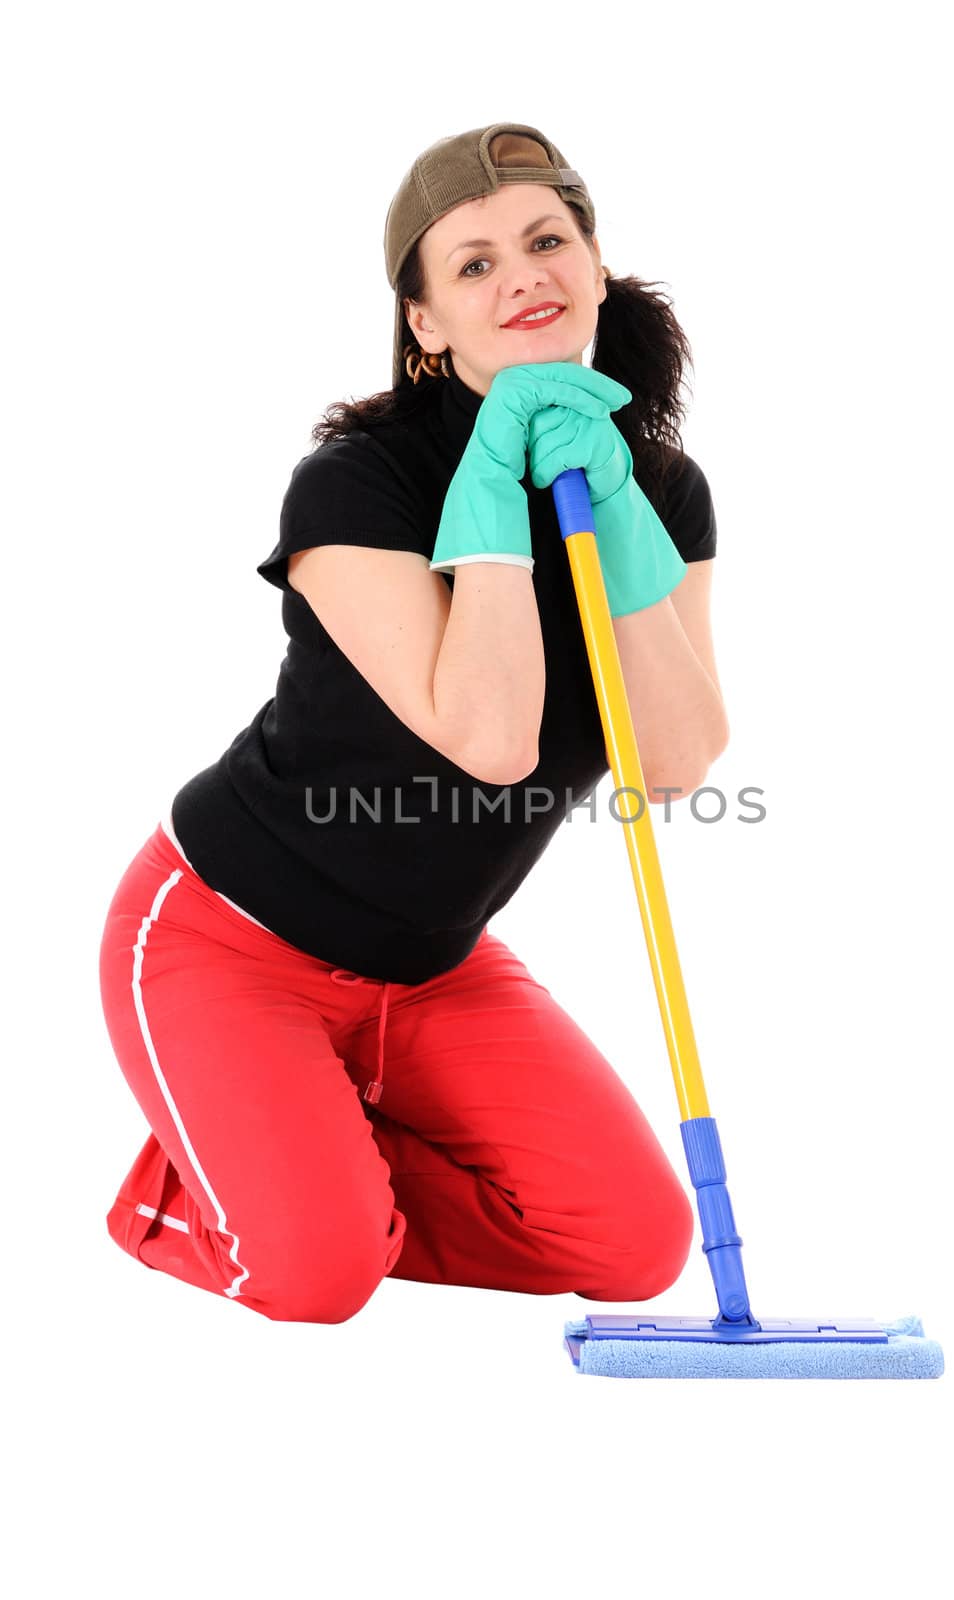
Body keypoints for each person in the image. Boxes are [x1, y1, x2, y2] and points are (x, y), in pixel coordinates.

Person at [98, 122, 729, 1326]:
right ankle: (207, 1195)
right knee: (313, 1279)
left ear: (596, 267)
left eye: (548, 242)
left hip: (433, 970)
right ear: (426, 322)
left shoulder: (666, 491)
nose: (523, 276)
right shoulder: (356, 480)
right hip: (228, 939)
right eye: (474, 264)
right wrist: (494, 490)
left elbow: (677, 758)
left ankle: (310, 1158)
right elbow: (488, 741)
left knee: (635, 1244)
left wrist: (623, 518)